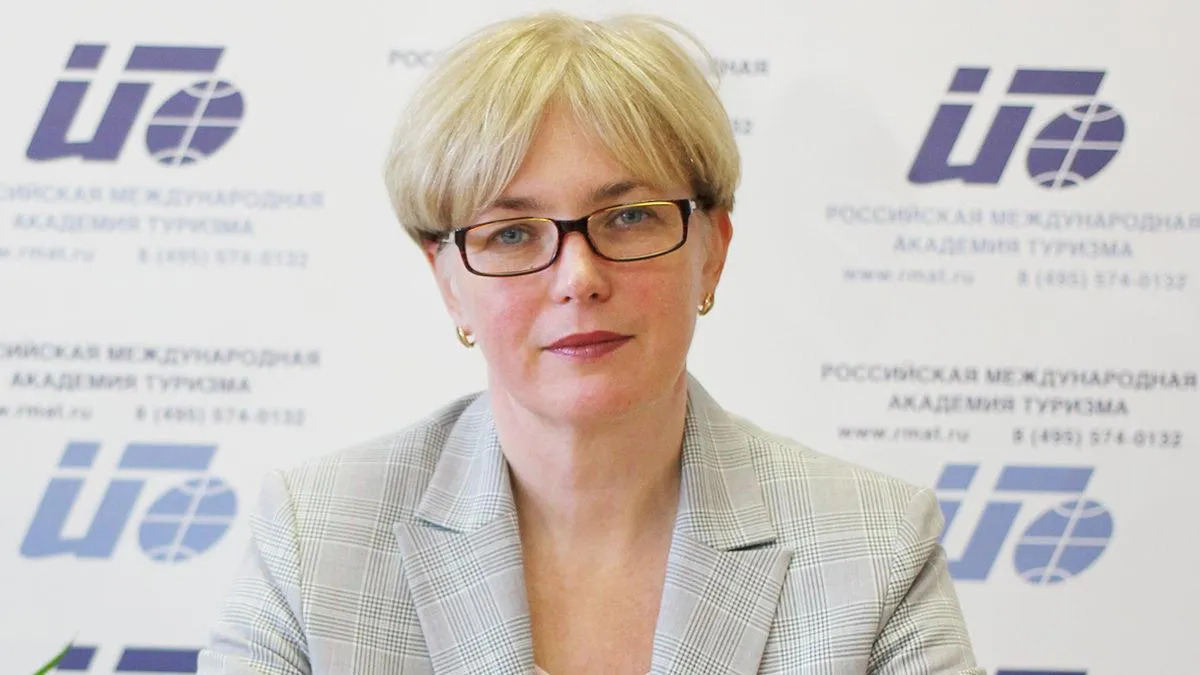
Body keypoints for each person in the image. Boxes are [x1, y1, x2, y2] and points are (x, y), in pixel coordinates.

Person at [198, 12, 983, 675]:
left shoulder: (874, 546)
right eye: (512, 232)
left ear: (712, 250)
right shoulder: (314, 539)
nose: (578, 277)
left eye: (629, 217)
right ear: (449, 281)